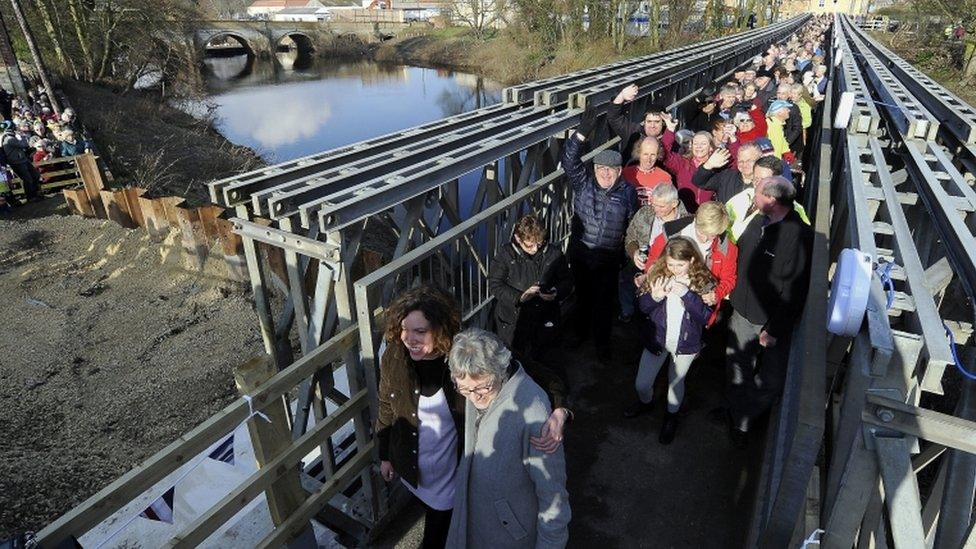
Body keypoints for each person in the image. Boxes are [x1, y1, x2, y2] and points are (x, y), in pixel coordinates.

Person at [446, 328, 571, 548]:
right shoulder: (475, 386)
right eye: (464, 389)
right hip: (479, 523)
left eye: (482, 388)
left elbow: (554, 497)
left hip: (510, 537)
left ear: (501, 370)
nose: (474, 398)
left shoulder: (535, 415)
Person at [719, 177, 813, 447]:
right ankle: (738, 416)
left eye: (758, 193)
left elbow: (796, 289)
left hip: (770, 322)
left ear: (771, 201)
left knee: (771, 379)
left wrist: (774, 329)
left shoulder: (799, 237)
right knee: (737, 368)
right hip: (742, 313)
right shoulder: (759, 221)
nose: (753, 196)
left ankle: (744, 417)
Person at [562, 110, 639, 359]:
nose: (605, 174)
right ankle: (578, 335)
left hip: (608, 258)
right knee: (582, 299)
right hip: (582, 255)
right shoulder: (584, 183)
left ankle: (602, 345)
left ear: (619, 172)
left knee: (604, 304)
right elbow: (570, 160)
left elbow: (632, 226)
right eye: (601, 168)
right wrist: (583, 132)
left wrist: (626, 257)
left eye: (611, 170)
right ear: (594, 169)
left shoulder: (628, 193)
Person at [628, 238, 714, 444]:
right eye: (670, 264)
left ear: (692, 260)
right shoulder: (657, 275)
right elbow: (642, 308)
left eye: (680, 265)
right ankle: (646, 403)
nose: (674, 270)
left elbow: (706, 317)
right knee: (642, 383)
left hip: (685, 345)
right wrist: (655, 297)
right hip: (658, 339)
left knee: (676, 384)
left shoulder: (703, 281)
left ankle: (671, 417)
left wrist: (687, 294)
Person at [489, 214, 573, 361]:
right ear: (518, 238)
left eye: (539, 244)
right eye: (530, 245)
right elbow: (495, 284)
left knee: (546, 356)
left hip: (545, 314)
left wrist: (556, 292)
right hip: (513, 319)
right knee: (512, 357)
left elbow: (567, 280)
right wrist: (519, 297)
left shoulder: (554, 254)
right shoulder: (506, 255)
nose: (535, 249)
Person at [642, 201, 738, 327]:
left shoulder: (727, 248)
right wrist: (650, 275)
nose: (705, 240)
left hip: (699, 310)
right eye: (702, 233)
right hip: (666, 304)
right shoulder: (672, 233)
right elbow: (653, 261)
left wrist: (717, 294)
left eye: (712, 236)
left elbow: (729, 278)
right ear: (696, 221)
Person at [621, 183, 688, 322]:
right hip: (643, 266)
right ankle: (629, 313)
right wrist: (634, 253)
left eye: (661, 206)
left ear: (674, 203)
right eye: (653, 204)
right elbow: (631, 236)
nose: (655, 209)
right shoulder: (645, 213)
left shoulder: (686, 222)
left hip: (669, 274)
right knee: (625, 277)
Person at [691, 141, 763, 204]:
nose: (744, 164)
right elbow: (698, 181)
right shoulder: (726, 177)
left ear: (759, 160)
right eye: (741, 161)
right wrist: (709, 164)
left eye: (749, 161)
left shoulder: (766, 182)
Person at [608, 84, 667, 156]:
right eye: (649, 121)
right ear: (644, 122)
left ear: (663, 122)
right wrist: (622, 96)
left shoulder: (669, 140)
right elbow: (614, 118)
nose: (652, 125)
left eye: (657, 122)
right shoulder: (634, 134)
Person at [622, 135, 672, 204]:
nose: (649, 159)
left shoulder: (665, 178)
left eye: (653, 155)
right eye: (645, 154)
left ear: (658, 155)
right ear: (639, 153)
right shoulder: (625, 174)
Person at [2, 121, 42, 201]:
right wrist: (22, 136)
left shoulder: (11, 137)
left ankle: (36, 193)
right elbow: (24, 144)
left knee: (35, 175)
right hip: (17, 163)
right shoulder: (9, 139)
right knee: (28, 179)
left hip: (23, 160)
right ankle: (31, 197)